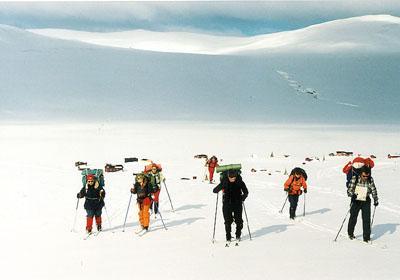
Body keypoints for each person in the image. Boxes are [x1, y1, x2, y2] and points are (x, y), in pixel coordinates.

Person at [213, 169, 248, 242]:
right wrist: (219, 188)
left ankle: (238, 235)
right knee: (227, 221)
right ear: (228, 176)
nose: (232, 179)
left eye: (234, 178)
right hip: (227, 203)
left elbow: (246, 192)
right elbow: (215, 190)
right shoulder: (224, 181)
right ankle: (228, 236)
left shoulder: (240, 181)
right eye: (231, 178)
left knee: (239, 221)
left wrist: (242, 198)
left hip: (237, 203)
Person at [347, 166, 379, 242]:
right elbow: (349, 191)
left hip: (366, 200)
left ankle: (366, 237)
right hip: (356, 200)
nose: (365, 177)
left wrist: (375, 199)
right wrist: (353, 194)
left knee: (366, 219)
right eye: (364, 176)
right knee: (353, 218)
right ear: (361, 174)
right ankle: (350, 233)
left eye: (367, 176)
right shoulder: (355, 178)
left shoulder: (370, 179)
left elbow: (373, 189)